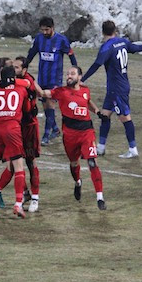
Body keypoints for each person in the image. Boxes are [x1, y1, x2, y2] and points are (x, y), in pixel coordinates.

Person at [81, 20, 142, 158]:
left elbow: (97, 64)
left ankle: (133, 149)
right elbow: (135, 48)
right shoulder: (123, 42)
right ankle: (101, 148)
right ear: (115, 31)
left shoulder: (106, 47)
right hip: (118, 86)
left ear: (102, 32)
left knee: (125, 118)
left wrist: (82, 79)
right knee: (105, 115)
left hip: (117, 88)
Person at [43, 66, 107, 210]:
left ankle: (100, 197)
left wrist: (97, 111)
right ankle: (78, 182)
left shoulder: (85, 90)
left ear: (79, 76)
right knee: (73, 163)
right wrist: (28, 82)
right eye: (67, 74)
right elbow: (44, 93)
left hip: (86, 132)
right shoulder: (61, 92)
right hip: (70, 134)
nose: (69, 76)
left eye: (72, 74)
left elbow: (88, 101)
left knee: (92, 162)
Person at [0, 56, 42, 213]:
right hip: (13, 128)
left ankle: (34, 198)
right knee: (12, 165)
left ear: (24, 70)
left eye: (17, 68)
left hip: (28, 128)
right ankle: (1, 191)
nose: (14, 70)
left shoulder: (27, 81)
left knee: (30, 162)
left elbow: (28, 85)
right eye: (12, 67)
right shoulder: (12, 80)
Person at [0, 64, 31, 219]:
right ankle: (18, 203)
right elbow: (27, 109)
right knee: (18, 166)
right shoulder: (21, 90)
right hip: (12, 129)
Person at [26, 16, 77, 146]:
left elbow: (71, 55)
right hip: (42, 78)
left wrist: (75, 70)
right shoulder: (39, 39)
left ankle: (46, 135)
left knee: (50, 105)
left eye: (47, 30)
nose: (44, 32)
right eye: (42, 30)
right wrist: (25, 66)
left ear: (53, 28)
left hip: (55, 80)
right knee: (45, 106)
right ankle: (55, 129)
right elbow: (32, 53)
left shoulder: (61, 40)